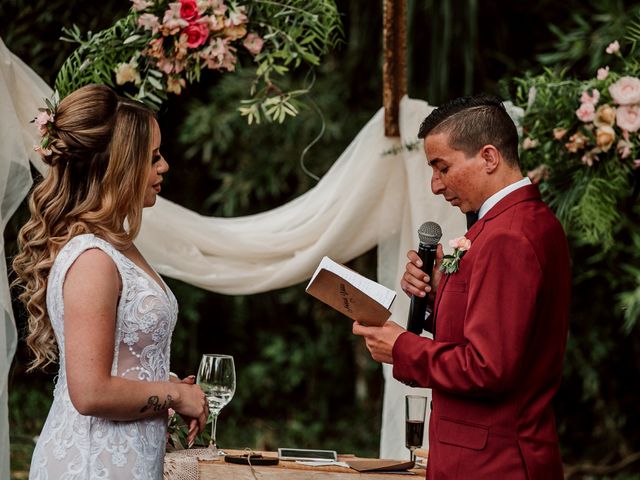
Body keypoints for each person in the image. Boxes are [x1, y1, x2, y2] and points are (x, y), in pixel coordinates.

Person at [352, 94, 571, 479]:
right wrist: (440, 298)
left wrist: (401, 346)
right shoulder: (513, 223)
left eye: (442, 167)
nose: (435, 185)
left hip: (495, 464)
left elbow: (489, 368)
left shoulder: (509, 236)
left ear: (488, 157)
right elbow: (502, 335)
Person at [12, 84, 209, 479]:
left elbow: (119, 363)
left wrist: (162, 383)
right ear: (120, 164)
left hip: (127, 460)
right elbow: (91, 392)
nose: (164, 166)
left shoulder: (116, 244)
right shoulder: (93, 259)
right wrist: (176, 395)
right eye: (152, 157)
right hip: (91, 464)